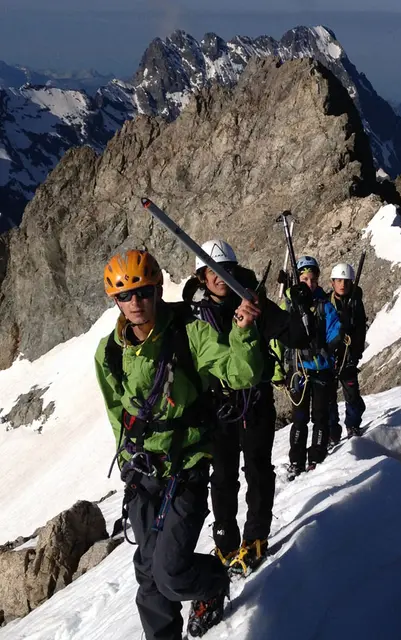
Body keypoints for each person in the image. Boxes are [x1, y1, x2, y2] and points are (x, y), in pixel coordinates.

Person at [95, 249, 263, 640]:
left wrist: (243, 332)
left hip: (185, 468)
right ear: (115, 301)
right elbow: (117, 413)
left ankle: (215, 582)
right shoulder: (110, 352)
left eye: (143, 292)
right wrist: (127, 462)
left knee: (169, 573)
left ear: (157, 290)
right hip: (142, 472)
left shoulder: (190, 331)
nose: (135, 303)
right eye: (125, 296)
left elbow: (242, 372)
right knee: (148, 574)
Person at [182, 239, 310, 576]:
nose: (219, 276)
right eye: (212, 270)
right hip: (217, 406)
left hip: (254, 401)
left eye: (225, 269)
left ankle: (256, 536)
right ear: (201, 277)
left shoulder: (256, 306)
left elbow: (298, 336)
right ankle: (225, 540)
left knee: (257, 469)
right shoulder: (193, 318)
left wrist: (300, 306)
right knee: (222, 476)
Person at [272, 256, 342, 480]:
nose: (310, 283)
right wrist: (277, 371)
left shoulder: (325, 306)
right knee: (300, 418)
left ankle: (316, 456)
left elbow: (335, 331)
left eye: (313, 279)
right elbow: (276, 340)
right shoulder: (288, 305)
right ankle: (296, 460)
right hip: (298, 370)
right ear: (298, 279)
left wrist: (331, 345)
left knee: (320, 415)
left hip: (321, 369)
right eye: (305, 279)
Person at [327, 262, 367, 446]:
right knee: (328, 397)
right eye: (339, 281)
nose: (342, 284)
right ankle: (332, 432)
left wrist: (356, 351)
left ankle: (353, 424)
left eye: (346, 281)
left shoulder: (356, 304)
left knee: (351, 394)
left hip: (348, 356)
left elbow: (360, 330)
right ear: (332, 282)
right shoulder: (326, 303)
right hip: (330, 356)